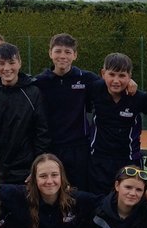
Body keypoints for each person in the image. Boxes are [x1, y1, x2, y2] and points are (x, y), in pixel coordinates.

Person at [33, 33, 100, 190]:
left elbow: (113, 85)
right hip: (51, 149)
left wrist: (130, 83)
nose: (62, 56)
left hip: (79, 148)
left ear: (75, 55)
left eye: (68, 52)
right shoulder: (39, 82)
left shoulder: (87, 79)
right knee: (53, 190)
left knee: (80, 191)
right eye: (58, 51)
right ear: (50, 53)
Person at [86, 53, 147, 195]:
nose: (116, 80)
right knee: (98, 204)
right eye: (112, 74)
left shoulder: (139, 98)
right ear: (103, 73)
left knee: (131, 203)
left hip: (130, 162)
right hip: (98, 161)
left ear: (130, 76)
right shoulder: (94, 89)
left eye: (122, 75)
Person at [0, 42, 51, 184]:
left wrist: (37, 167)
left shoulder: (33, 93)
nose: (7, 68)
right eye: (1, 63)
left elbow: (42, 133)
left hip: (26, 171)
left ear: (19, 63)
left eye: (12, 63)